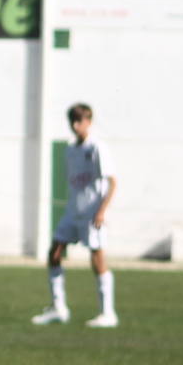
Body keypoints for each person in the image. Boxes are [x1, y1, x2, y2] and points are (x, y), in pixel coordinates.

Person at [32, 103, 118, 328]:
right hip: (73, 210)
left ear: (89, 122)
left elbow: (112, 182)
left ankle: (108, 313)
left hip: (92, 213)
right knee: (55, 252)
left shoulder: (97, 148)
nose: (75, 125)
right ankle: (59, 308)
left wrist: (101, 211)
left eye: (80, 121)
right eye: (73, 120)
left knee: (97, 258)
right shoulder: (70, 150)